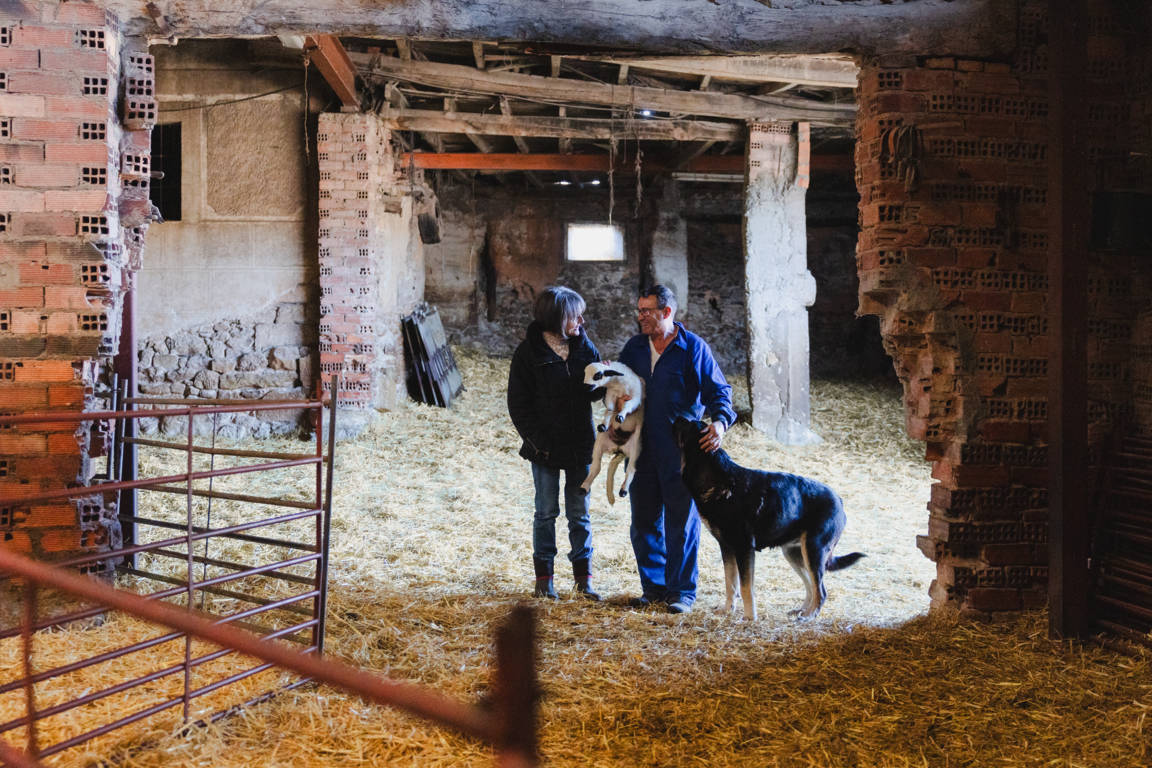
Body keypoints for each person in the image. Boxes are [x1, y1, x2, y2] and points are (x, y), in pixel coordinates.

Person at [616, 284, 735, 614]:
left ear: (666, 312)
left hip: (681, 452)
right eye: (639, 310)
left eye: (647, 311)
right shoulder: (635, 348)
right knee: (643, 520)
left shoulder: (693, 348)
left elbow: (720, 394)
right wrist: (616, 403)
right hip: (641, 448)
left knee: (681, 521)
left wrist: (720, 424)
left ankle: (681, 592)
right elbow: (618, 386)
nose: (641, 317)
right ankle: (653, 589)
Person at [507, 286, 603, 601]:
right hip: (545, 448)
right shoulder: (528, 353)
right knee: (546, 512)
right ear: (559, 317)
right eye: (575, 315)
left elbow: (595, 390)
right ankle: (544, 580)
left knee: (580, 514)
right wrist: (539, 443)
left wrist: (609, 383)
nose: (582, 320)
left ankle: (583, 580)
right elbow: (518, 405)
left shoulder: (584, 347)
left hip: (580, 446)